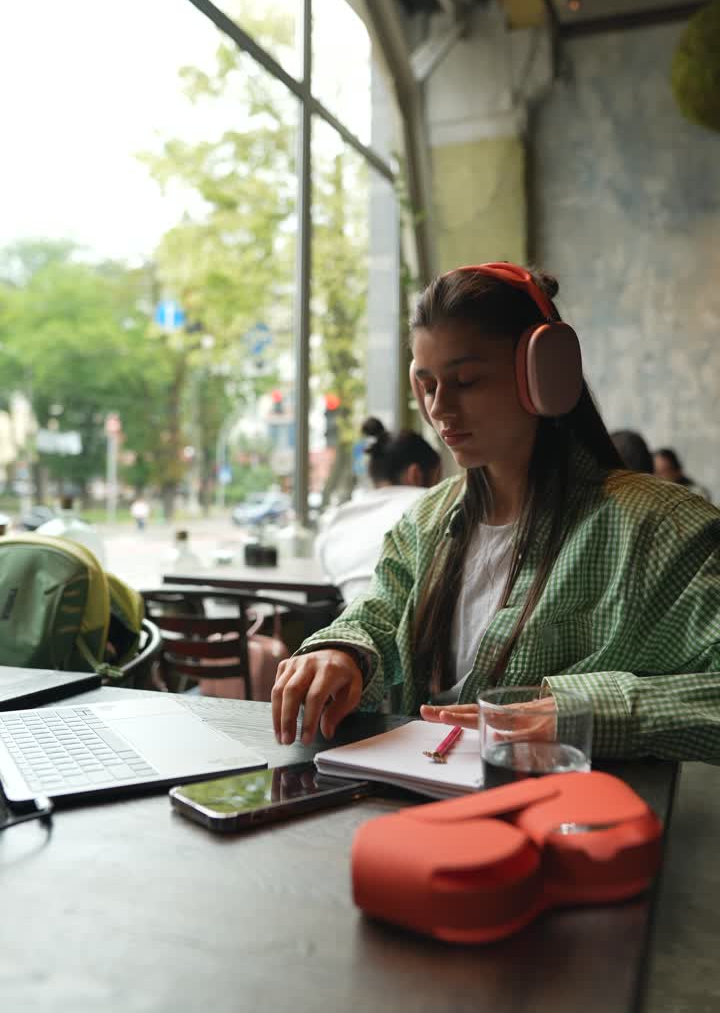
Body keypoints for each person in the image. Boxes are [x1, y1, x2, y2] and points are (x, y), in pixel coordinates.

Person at [271, 263, 720, 764]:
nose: (440, 408)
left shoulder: (661, 529)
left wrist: (585, 713)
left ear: (544, 374)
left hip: (567, 824)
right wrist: (342, 652)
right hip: (417, 809)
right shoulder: (423, 524)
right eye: (427, 384)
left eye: (466, 381)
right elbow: (378, 615)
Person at [315, 417, 441, 602]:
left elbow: (327, 577)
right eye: (438, 478)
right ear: (415, 474)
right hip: (421, 624)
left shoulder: (339, 517)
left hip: (351, 624)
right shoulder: (431, 504)